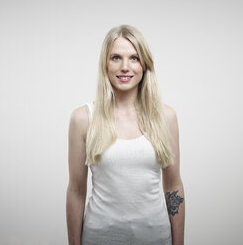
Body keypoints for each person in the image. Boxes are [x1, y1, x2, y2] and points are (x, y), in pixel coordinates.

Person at [66, 24, 185, 245]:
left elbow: (173, 186)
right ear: (105, 63)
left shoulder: (166, 117)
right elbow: (76, 190)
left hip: (156, 238)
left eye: (134, 58)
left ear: (144, 64)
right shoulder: (83, 119)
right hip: (99, 238)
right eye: (116, 58)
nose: (124, 67)